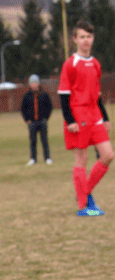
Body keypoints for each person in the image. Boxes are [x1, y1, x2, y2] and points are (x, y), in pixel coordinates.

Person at [58, 21, 112, 216]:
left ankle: (84, 191)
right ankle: (83, 206)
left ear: (93, 38)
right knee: (82, 159)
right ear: (75, 40)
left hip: (95, 115)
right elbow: (63, 94)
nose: (85, 40)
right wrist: (69, 119)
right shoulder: (70, 64)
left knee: (108, 155)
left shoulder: (96, 64)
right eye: (82, 37)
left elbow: (96, 95)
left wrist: (105, 117)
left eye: (88, 36)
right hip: (77, 115)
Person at [21, 74, 53, 166]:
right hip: (32, 123)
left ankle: (47, 158)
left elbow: (49, 107)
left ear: (38, 84)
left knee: (44, 140)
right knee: (33, 141)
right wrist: (27, 119)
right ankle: (33, 159)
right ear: (30, 84)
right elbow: (23, 109)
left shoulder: (44, 94)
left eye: (35, 82)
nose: (34, 85)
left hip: (42, 121)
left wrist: (46, 118)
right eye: (32, 83)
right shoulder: (27, 96)